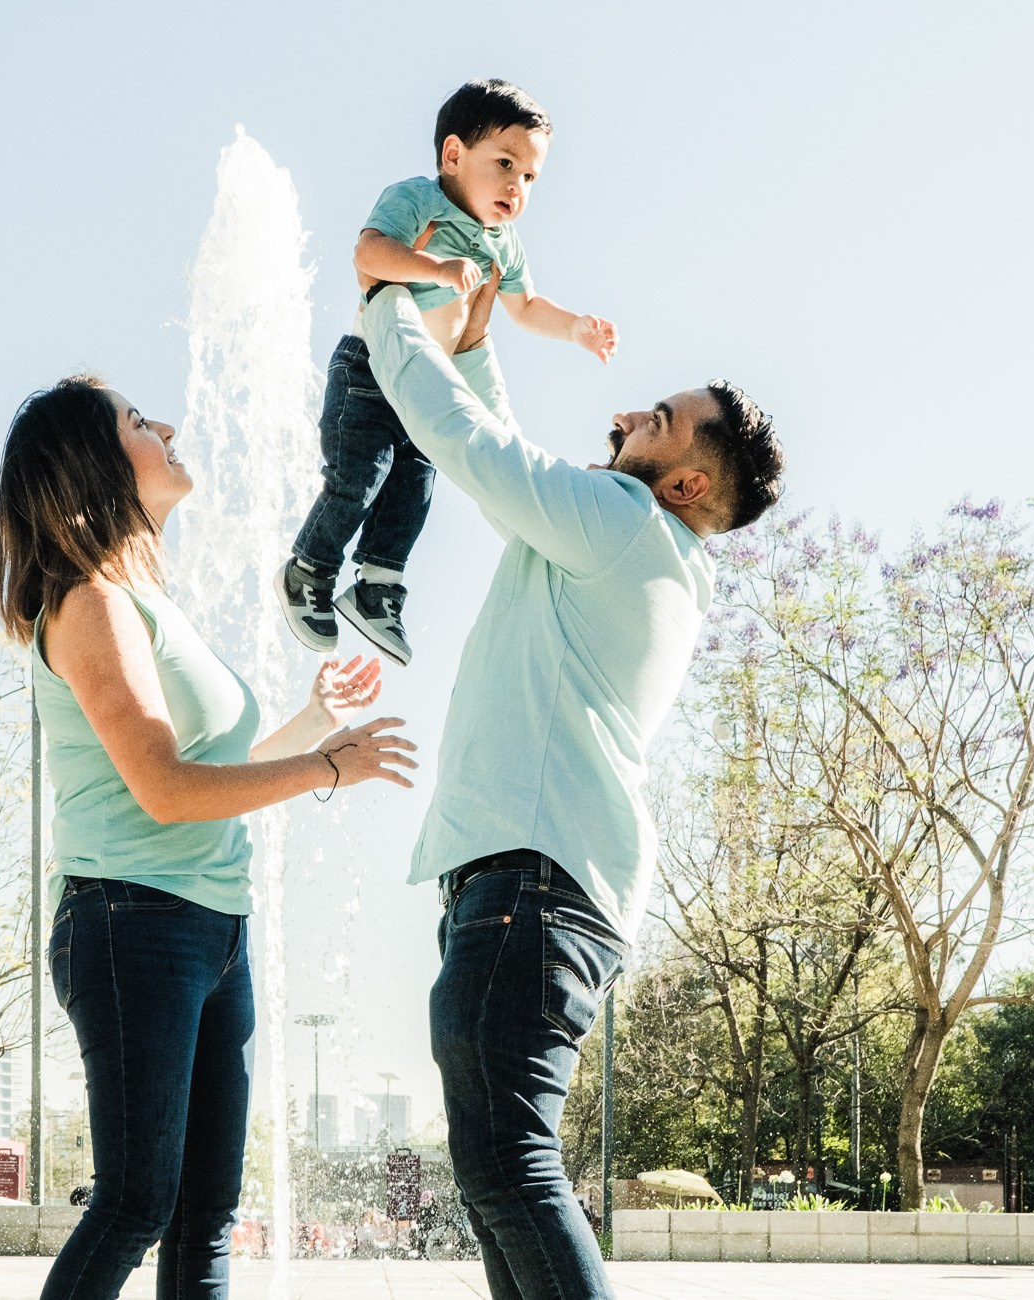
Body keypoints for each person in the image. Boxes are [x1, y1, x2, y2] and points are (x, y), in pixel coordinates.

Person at [357, 280, 785, 1299]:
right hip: (522, 885)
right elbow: (500, 439)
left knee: (511, 1170)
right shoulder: (627, 538)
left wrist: (384, 304)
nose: (634, 411)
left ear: (683, 481)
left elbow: (467, 446)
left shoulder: (620, 520)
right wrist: (469, 334)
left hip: (530, 886)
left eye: (663, 419)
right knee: (497, 1178)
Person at [0, 376, 418, 1299]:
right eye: (140, 424)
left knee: (204, 1216)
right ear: (94, 466)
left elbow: (209, 781)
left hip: (212, 929)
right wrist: (327, 769)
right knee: (137, 1201)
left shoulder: (145, 600)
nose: (170, 428)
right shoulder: (91, 604)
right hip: (132, 923)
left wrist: (310, 727)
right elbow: (165, 791)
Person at [277, 78, 617, 667]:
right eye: (505, 164)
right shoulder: (416, 199)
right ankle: (310, 568)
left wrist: (575, 328)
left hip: (431, 382)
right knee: (361, 475)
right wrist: (434, 267)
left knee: (417, 485)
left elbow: (525, 306)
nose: (517, 187)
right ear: (454, 154)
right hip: (370, 369)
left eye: (530, 177)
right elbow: (368, 254)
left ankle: (377, 587)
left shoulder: (504, 242)